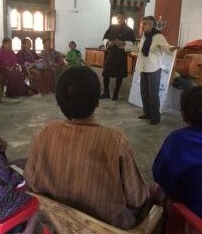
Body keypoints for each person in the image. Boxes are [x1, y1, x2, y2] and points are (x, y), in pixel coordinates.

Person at [24, 66, 149, 230]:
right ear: (97, 101)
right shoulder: (115, 140)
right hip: (106, 229)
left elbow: (30, 179)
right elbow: (137, 198)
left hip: (58, 223)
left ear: (59, 102)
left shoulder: (47, 131)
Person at [153, 87, 202, 218]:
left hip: (193, 218)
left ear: (184, 114)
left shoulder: (178, 141)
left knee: (154, 189)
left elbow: (160, 176)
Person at [136, 16, 177, 125]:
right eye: (143, 23)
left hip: (154, 67)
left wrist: (171, 49)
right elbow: (141, 48)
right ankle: (147, 113)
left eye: (145, 23)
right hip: (144, 67)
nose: (143, 25)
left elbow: (165, 47)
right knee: (144, 92)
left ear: (151, 25)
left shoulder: (158, 36)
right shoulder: (144, 35)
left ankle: (155, 116)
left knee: (153, 93)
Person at [100, 12, 136, 101]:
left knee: (119, 75)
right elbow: (104, 38)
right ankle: (106, 92)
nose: (119, 19)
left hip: (121, 55)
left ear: (124, 18)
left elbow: (132, 42)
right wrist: (108, 42)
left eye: (121, 18)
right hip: (111, 53)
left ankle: (115, 93)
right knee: (106, 73)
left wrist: (123, 43)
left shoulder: (129, 29)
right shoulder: (112, 27)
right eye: (118, 18)